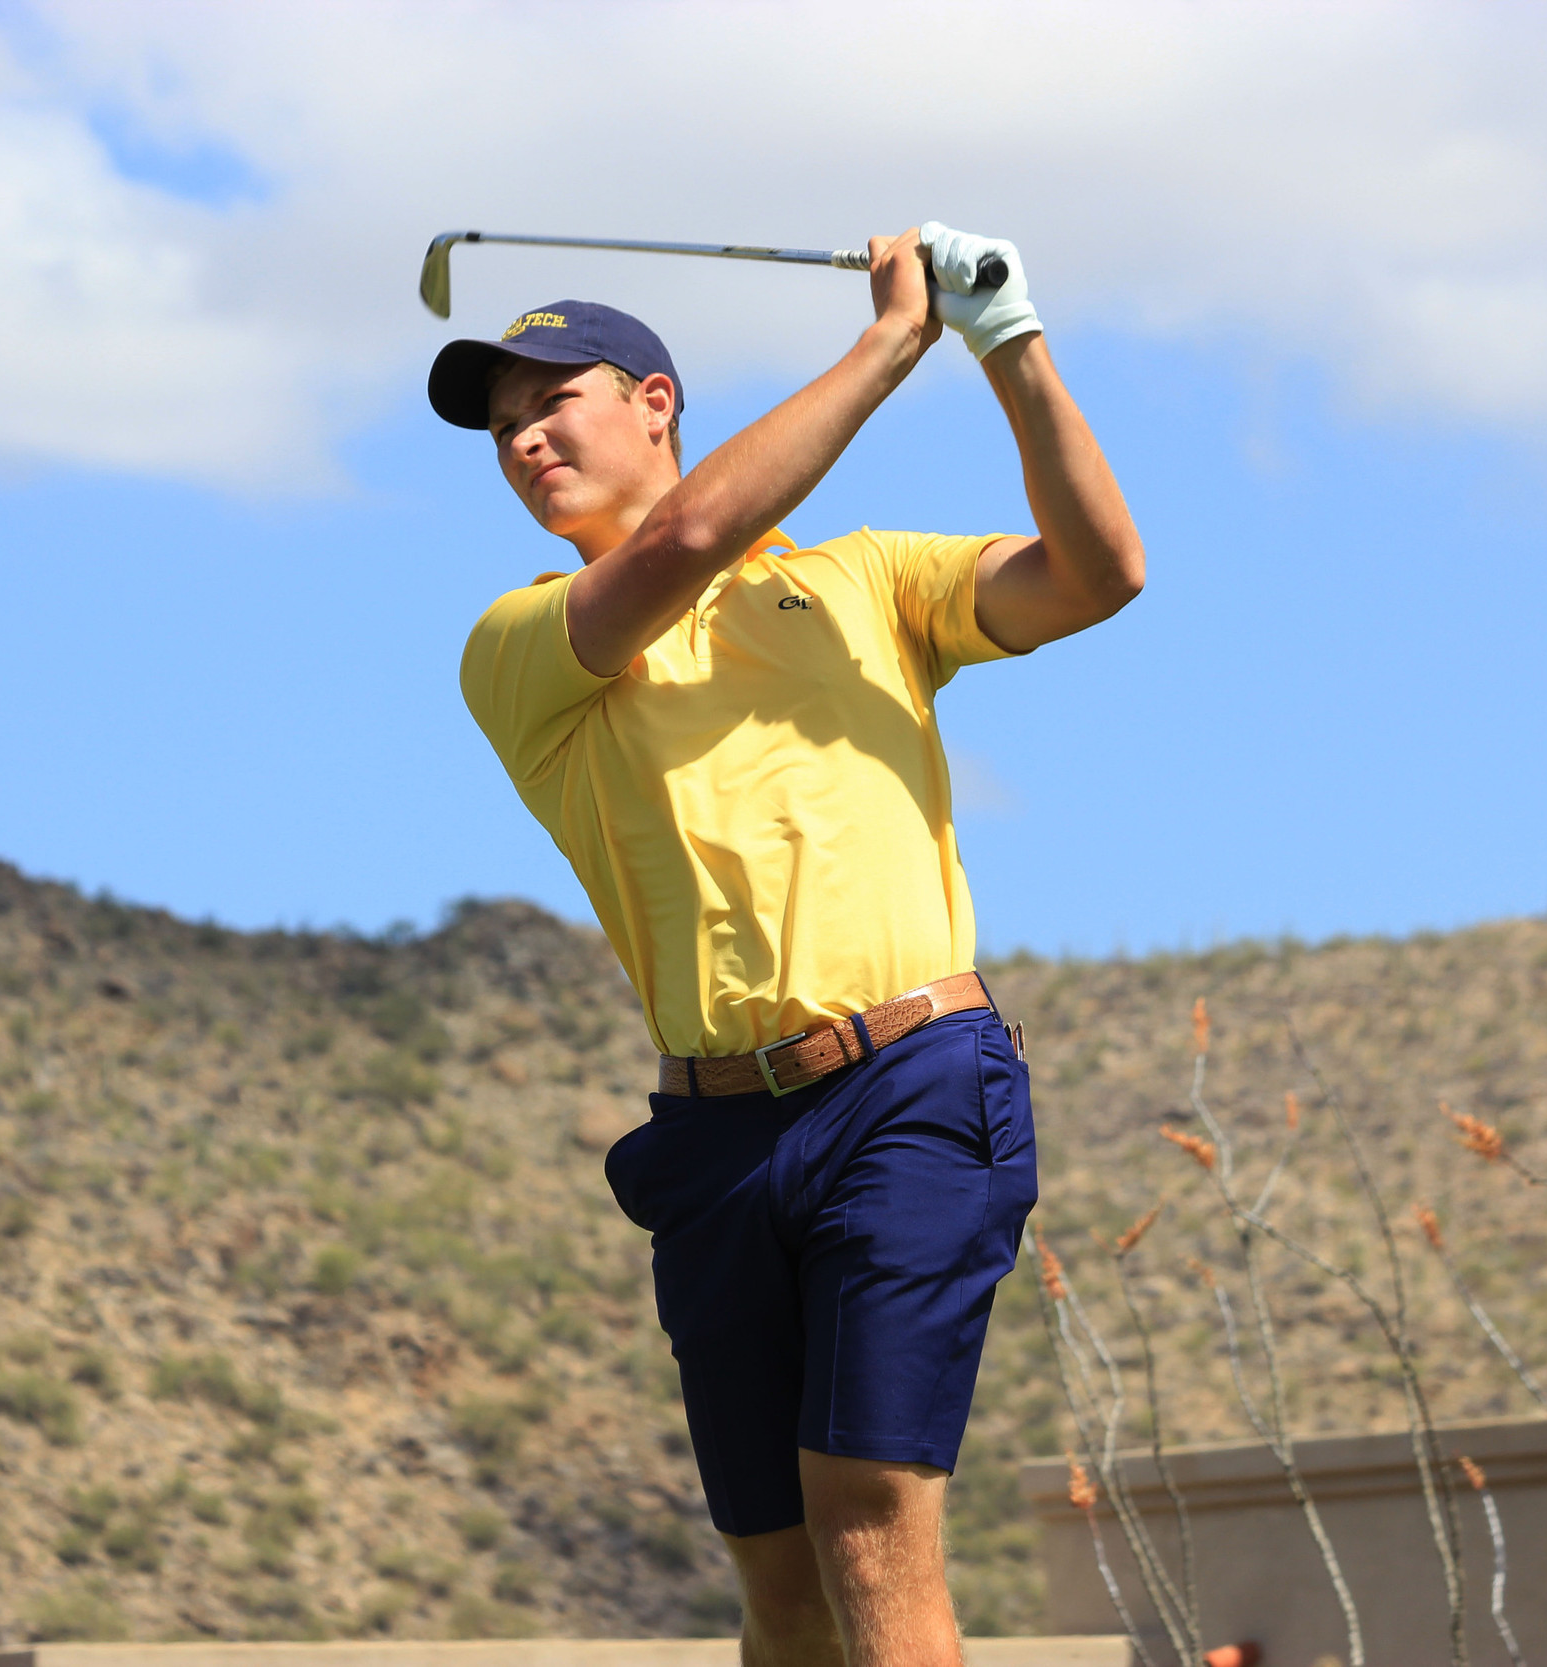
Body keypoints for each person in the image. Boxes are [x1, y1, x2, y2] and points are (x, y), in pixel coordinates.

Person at [430, 224, 1143, 1667]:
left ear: (654, 403)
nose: (524, 443)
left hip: (909, 1084)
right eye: (502, 431)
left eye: (551, 403)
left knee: (869, 1520)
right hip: (715, 1140)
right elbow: (686, 541)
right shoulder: (521, 643)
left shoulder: (871, 580)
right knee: (784, 1589)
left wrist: (1008, 343)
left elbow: (1098, 571)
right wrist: (890, 341)